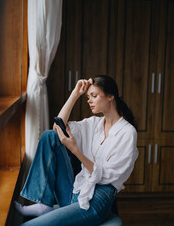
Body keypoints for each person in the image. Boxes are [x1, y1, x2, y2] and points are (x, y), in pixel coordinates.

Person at [15, 75, 138, 226]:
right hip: (78, 190)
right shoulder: (95, 124)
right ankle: (44, 203)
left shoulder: (127, 133)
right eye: (87, 97)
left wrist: (75, 150)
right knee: (50, 136)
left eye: (94, 96)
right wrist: (75, 94)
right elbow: (58, 127)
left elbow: (106, 176)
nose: (89, 101)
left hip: (98, 200)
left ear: (111, 96)